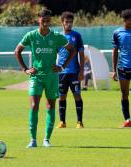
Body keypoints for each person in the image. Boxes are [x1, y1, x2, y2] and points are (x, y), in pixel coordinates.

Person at [14, 9, 76, 148]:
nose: (46, 24)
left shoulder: (56, 36)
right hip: (36, 77)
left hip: (52, 77)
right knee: (34, 105)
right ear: (38, 21)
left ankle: (47, 139)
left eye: (48, 21)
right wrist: (25, 69)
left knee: (50, 106)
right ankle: (33, 140)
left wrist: (62, 66)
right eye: (43, 21)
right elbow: (17, 51)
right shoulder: (31, 35)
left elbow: (72, 50)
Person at [57, 11, 85, 129]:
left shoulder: (76, 36)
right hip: (61, 72)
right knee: (62, 96)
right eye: (66, 22)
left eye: (71, 22)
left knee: (77, 95)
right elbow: (54, 53)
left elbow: (81, 54)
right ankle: (62, 122)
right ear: (62, 23)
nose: (69, 24)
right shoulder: (57, 36)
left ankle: (79, 122)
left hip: (74, 72)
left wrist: (81, 71)